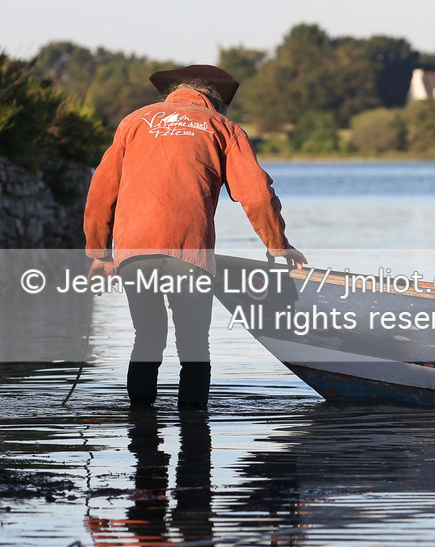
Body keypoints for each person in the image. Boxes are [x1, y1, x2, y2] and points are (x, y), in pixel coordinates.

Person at [84, 64, 305, 408]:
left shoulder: (134, 122)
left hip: (133, 253)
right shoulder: (223, 126)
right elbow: (257, 194)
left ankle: (142, 433)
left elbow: (101, 190)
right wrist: (277, 245)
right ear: (218, 101)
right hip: (190, 253)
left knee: (146, 338)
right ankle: (194, 436)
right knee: (193, 345)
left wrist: (99, 251)